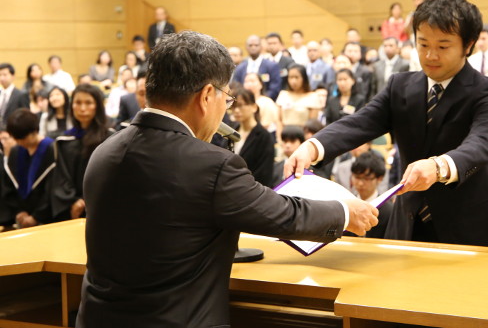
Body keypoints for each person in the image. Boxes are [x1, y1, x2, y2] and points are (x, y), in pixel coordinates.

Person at [75, 31, 378, 328]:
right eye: (227, 98)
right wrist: (345, 211)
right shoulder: (211, 165)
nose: (226, 110)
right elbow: (284, 215)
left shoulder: (105, 151)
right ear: (207, 96)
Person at [284, 0, 488, 248]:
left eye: (443, 46)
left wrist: (439, 167)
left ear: (468, 45)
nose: (430, 56)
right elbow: (359, 123)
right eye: (423, 44)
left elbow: (483, 143)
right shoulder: (400, 86)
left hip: (470, 228)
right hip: (407, 225)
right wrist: (312, 147)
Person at [51, 84, 111, 222]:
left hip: (104, 207)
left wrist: (90, 201)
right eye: (78, 103)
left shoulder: (110, 138)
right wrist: (73, 202)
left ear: (98, 106)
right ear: (71, 106)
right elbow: (62, 179)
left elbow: (112, 176)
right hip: (74, 210)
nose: (82, 108)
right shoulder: (64, 141)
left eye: (88, 103)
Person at [0, 109, 56, 230]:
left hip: (47, 221)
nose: (19, 141)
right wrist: (19, 212)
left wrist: (36, 216)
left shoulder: (52, 149)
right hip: (21, 220)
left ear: (34, 131)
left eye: (22, 138)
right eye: (16, 138)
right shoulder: (16, 151)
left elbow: (53, 188)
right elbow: (9, 186)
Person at [229, 87, 275, 187]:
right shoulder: (230, 132)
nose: (236, 110)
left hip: (252, 191)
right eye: (234, 106)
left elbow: (264, 174)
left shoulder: (264, 137)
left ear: (254, 107)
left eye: (241, 105)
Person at [349, 152, 393, 238]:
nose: (360, 183)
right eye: (357, 177)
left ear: (379, 179)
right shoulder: (348, 205)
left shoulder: (389, 211)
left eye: (366, 178)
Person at [232, 35, 282, 100]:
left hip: (265, 103)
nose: (253, 47)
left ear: (261, 47)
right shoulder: (240, 68)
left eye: (256, 45)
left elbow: (275, 88)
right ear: (246, 47)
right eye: (250, 45)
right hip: (244, 102)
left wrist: (261, 99)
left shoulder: (272, 66)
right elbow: (235, 87)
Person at [243, 72, 281, 137]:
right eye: (246, 81)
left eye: (252, 81)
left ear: (260, 84)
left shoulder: (267, 102)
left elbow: (266, 124)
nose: (249, 84)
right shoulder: (241, 102)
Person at [0, 63, 30, 127]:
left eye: (5, 75)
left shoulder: (21, 95)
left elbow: (26, 118)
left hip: (14, 132)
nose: (1, 78)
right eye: (0, 75)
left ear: (13, 76)